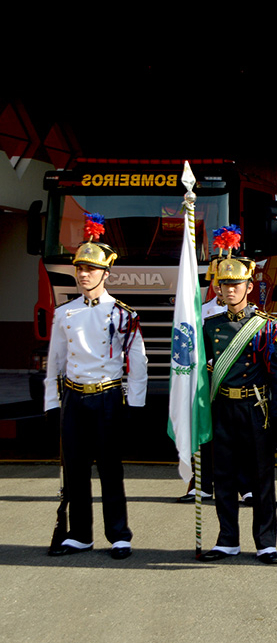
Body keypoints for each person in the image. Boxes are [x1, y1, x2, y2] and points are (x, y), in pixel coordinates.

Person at [45, 214, 147, 559]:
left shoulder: (122, 314)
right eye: (80, 268)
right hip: (74, 397)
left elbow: (138, 361)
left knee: (109, 468)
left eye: (91, 269)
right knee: (74, 469)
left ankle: (119, 534)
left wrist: (135, 403)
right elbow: (55, 362)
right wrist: (52, 403)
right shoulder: (65, 313)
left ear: (106, 273)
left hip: (107, 396)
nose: (84, 274)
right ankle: (80, 535)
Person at [198, 252, 277, 564]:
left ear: (249, 287)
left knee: (262, 478)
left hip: (255, 407)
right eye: (225, 284)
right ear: (219, 289)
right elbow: (200, 373)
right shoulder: (210, 327)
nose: (231, 289)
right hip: (223, 406)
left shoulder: (267, 327)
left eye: (236, 284)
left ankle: (266, 542)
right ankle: (227, 540)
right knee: (223, 475)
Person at [178, 253, 226, 503]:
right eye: (217, 280)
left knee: (235, 436)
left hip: (232, 381)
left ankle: (243, 485)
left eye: (226, 281)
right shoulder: (201, 311)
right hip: (205, 381)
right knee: (205, 432)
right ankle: (202, 483)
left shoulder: (249, 314)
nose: (220, 286)